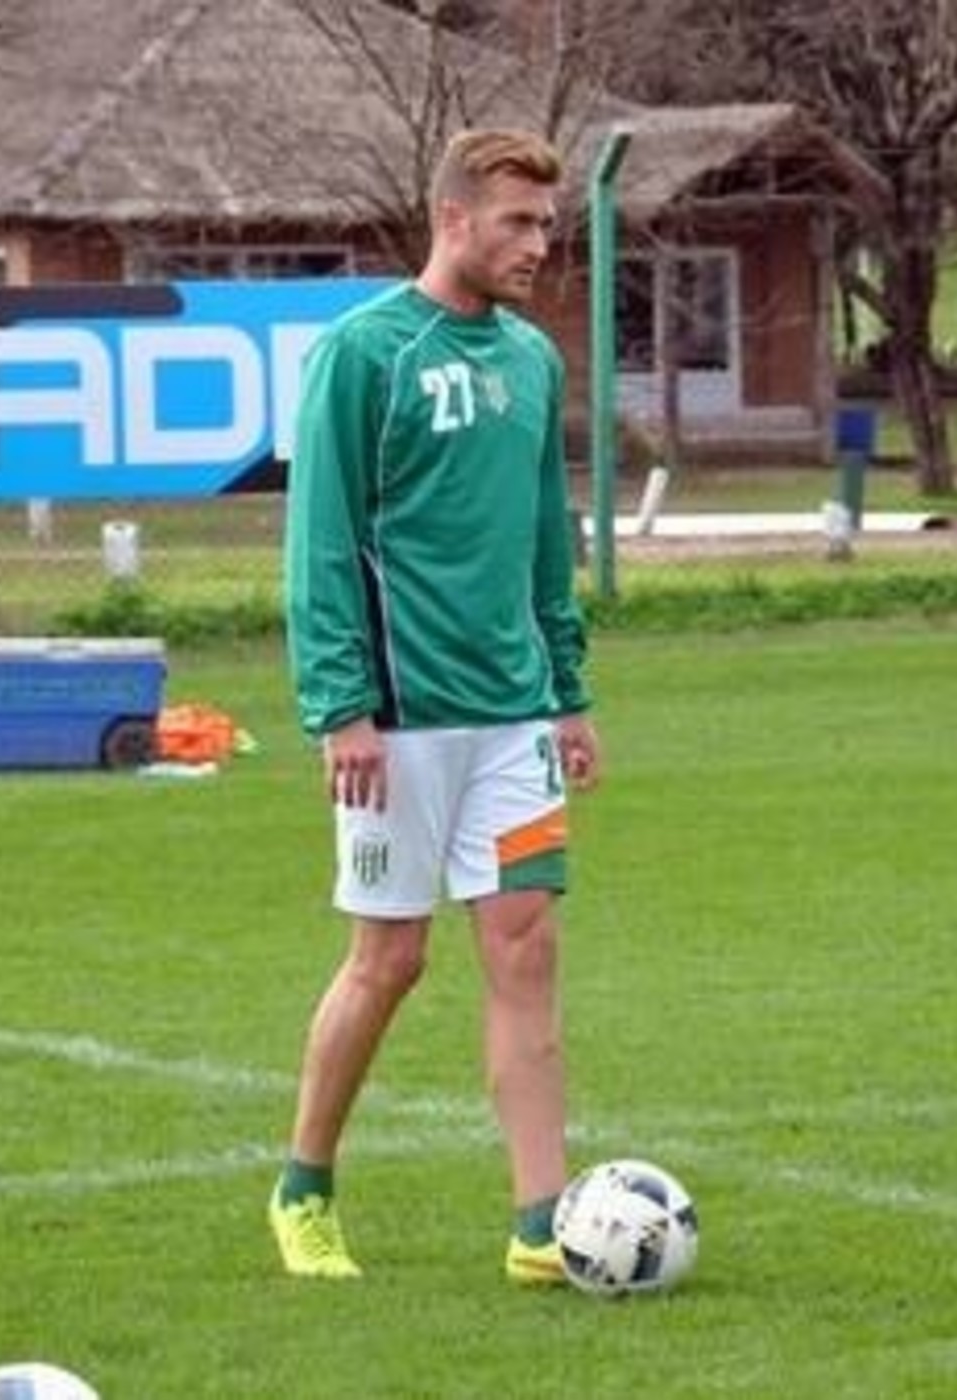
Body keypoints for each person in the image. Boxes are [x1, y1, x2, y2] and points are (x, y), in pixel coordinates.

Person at [270, 127, 600, 1285]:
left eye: (549, 225)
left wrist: (566, 690)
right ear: (452, 217)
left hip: (514, 719)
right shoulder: (362, 355)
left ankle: (538, 1224)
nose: (538, 246)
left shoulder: (531, 360)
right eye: (517, 221)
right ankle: (302, 1184)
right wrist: (338, 708)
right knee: (389, 959)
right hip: (397, 723)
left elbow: (543, 541)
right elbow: (318, 539)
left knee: (524, 944)